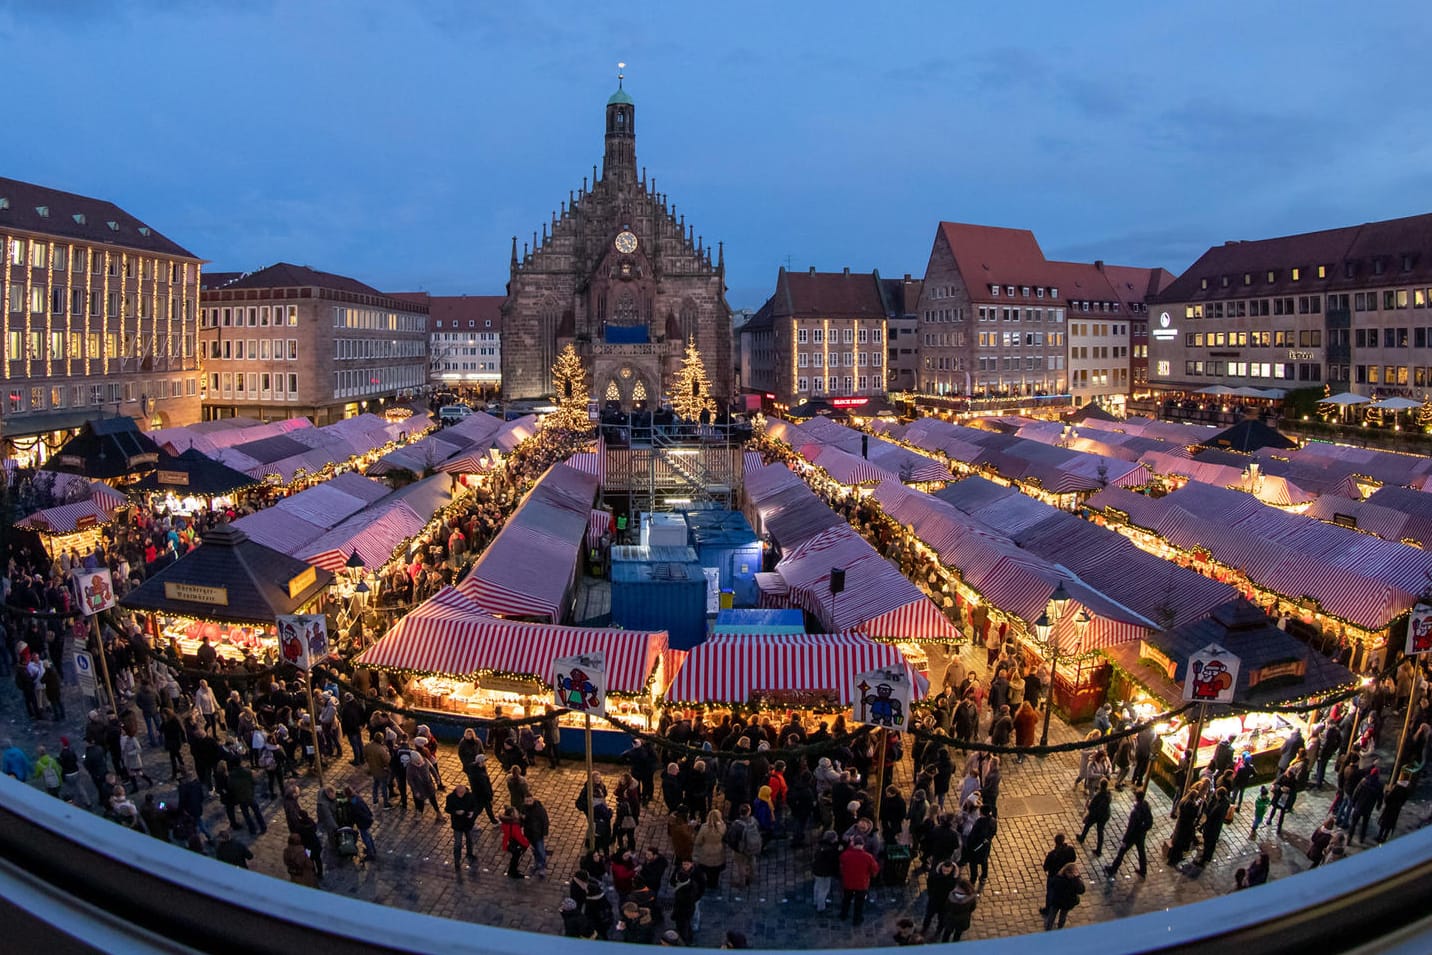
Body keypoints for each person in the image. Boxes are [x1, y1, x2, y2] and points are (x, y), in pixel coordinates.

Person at [1105, 787, 1153, 878]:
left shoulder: (1134, 812)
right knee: (1141, 851)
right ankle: (1143, 870)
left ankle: (1114, 868)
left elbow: (1130, 828)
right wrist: (1143, 830)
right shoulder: (1146, 805)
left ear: (1136, 798)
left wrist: (1125, 840)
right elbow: (1150, 821)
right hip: (1141, 834)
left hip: (1133, 835)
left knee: (1122, 852)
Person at [838, 834, 880, 927]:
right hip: (862, 884)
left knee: (846, 900)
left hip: (848, 883)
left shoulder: (845, 855)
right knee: (859, 903)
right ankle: (857, 920)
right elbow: (875, 869)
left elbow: (841, 867)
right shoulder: (868, 857)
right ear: (863, 844)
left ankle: (843, 915)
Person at [1039, 833, 1076, 918]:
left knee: (1050, 893)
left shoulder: (1052, 854)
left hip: (1054, 876)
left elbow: (1045, 867)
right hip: (1066, 876)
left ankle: (1048, 909)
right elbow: (1073, 860)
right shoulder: (1070, 850)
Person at [693, 809, 727, 897]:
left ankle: (708, 883)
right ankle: (714, 883)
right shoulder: (723, 826)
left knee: (707, 869)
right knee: (716, 870)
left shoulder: (704, 828)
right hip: (718, 849)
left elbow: (698, 841)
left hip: (706, 850)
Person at [922, 859, 958, 937]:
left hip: (945, 903)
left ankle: (938, 931)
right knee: (928, 916)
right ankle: (924, 929)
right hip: (934, 900)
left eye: (947, 871)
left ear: (951, 870)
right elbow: (929, 884)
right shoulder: (935, 876)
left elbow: (954, 890)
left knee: (942, 919)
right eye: (944, 870)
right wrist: (931, 894)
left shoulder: (953, 879)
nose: (945, 872)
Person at [446, 783, 478, 870]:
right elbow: (447, 809)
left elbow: (475, 806)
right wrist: (456, 812)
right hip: (457, 824)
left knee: (469, 840)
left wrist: (472, 812)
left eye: (462, 792)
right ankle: (457, 861)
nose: (461, 794)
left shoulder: (470, 796)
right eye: (459, 793)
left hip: (468, 822)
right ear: (456, 791)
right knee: (458, 843)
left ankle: (470, 854)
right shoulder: (450, 797)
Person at [936, 876, 979, 943]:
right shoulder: (971, 897)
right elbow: (972, 908)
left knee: (947, 933)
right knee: (957, 934)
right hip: (963, 919)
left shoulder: (951, 896)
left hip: (950, 918)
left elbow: (947, 906)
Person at [1044, 861, 1085, 930]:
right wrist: (1077, 879)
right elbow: (1081, 890)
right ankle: (1060, 928)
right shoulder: (1075, 882)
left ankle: (1048, 928)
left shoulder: (1058, 878)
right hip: (1067, 903)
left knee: (1052, 914)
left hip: (1056, 901)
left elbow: (1052, 885)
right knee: (1063, 915)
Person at [964, 804, 996, 886]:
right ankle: (984, 876)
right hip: (986, 846)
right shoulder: (993, 820)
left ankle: (973, 880)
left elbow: (973, 836)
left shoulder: (979, 823)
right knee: (984, 861)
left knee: (973, 864)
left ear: (981, 813)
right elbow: (993, 833)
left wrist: (969, 846)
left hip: (975, 848)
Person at [1377, 771, 1413, 843]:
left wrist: (1386, 793)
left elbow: (1388, 798)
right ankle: (1384, 837)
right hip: (1396, 809)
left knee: (1384, 823)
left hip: (1389, 807)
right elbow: (1404, 800)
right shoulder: (1406, 790)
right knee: (1390, 823)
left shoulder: (1396, 787)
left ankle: (1379, 836)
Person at [1079, 778, 1112, 854]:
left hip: (1096, 814)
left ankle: (1082, 838)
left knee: (1087, 825)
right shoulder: (1108, 794)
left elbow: (1092, 806)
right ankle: (1099, 849)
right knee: (1100, 832)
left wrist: (1088, 806)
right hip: (1105, 815)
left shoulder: (1098, 795)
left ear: (1100, 785)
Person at [812, 829, 841, 912]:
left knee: (817, 886)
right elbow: (834, 861)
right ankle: (821, 907)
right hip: (825, 873)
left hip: (817, 870)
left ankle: (815, 901)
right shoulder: (830, 850)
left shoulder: (821, 846)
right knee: (824, 889)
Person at [523, 792, 550, 877]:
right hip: (529, 834)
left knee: (541, 851)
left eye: (530, 801)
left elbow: (545, 820)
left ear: (533, 799)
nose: (528, 803)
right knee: (534, 850)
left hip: (537, 834)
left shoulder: (539, 809)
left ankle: (542, 867)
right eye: (527, 801)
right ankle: (536, 863)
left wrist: (545, 832)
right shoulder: (524, 808)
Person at [500, 805, 529, 879]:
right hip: (515, 844)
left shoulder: (506, 822)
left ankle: (511, 871)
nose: (517, 813)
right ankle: (513, 872)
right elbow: (519, 837)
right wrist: (526, 843)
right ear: (512, 815)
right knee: (515, 858)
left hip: (508, 842)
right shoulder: (514, 825)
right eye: (516, 812)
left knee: (514, 858)